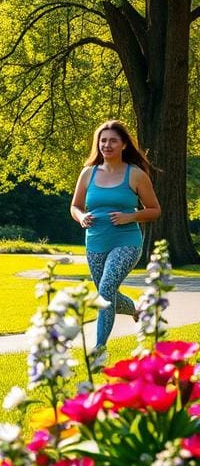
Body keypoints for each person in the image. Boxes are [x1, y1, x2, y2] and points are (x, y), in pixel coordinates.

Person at [70, 120, 161, 349]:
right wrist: (81, 217)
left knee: (106, 290)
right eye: (103, 140)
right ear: (98, 144)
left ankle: (99, 348)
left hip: (127, 241)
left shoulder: (136, 174)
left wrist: (130, 216)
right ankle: (136, 309)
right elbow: (75, 206)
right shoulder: (87, 173)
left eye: (112, 140)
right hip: (95, 242)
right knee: (105, 293)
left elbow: (155, 210)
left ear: (123, 145)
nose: (107, 145)